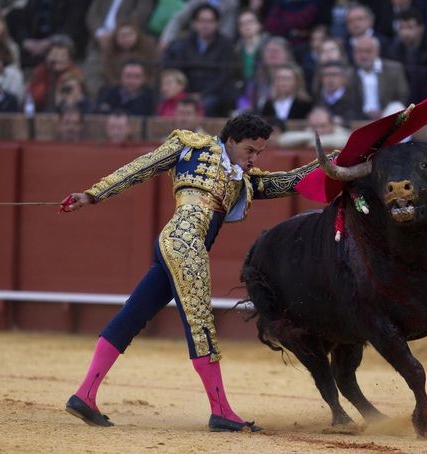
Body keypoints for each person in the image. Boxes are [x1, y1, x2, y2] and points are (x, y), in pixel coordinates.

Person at [61, 113, 330, 432]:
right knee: (201, 324)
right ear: (230, 140)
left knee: (133, 315)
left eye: (259, 152)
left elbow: (285, 182)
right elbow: (141, 167)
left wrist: (329, 162)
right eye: (250, 150)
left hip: (176, 247)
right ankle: (221, 411)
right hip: (186, 245)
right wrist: (93, 194)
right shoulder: (192, 146)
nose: (254, 158)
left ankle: (84, 395)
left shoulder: (243, 178)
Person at [277, 106, 350, 148]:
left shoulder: (341, 133)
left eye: (322, 126)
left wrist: (312, 141)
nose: (318, 130)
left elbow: (346, 141)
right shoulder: (307, 133)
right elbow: (282, 140)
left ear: (332, 124)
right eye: (314, 126)